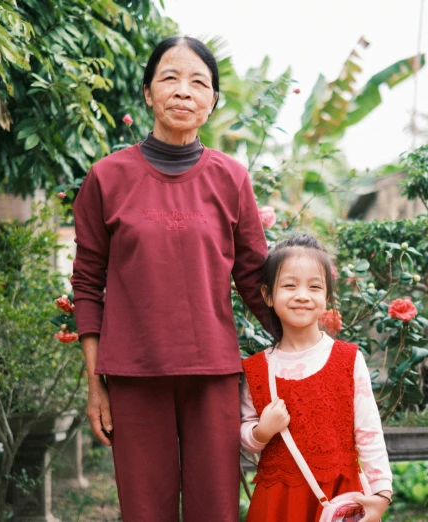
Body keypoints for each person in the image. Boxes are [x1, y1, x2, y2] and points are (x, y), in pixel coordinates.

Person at [71, 36, 274, 522]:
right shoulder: (107, 178)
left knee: (216, 511)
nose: (183, 91)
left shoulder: (231, 179)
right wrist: (95, 384)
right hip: (134, 375)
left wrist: (307, 349)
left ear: (212, 101)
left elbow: (253, 278)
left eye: (198, 82)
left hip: (214, 377)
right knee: (145, 513)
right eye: (169, 78)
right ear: (147, 93)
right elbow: (86, 285)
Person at [241, 234, 393, 522]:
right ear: (268, 295)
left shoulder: (348, 359)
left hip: (339, 500)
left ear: (326, 298)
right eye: (289, 285)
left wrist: (381, 496)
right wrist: (262, 431)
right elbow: (245, 433)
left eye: (314, 286)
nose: (302, 295)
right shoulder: (259, 369)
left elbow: (369, 433)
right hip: (277, 503)